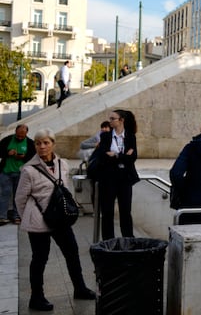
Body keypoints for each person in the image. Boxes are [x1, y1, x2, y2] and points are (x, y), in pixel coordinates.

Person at [15, 128, 96, 311]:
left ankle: (80, 288)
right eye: (38, 143)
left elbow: (66, 188)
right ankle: (36, 298)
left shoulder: (63, 164)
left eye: (46, 142)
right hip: (38, 221)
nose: (42, 146)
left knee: (72, 253)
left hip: (60, 219)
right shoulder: (28, 170)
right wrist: (28, 216)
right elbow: (20, 199)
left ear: (53, 143)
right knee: (40, 259)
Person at [95, 109, 140, 240]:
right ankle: (108, 241)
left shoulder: (130, 136)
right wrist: (123, 156)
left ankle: (128, 240)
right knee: (107, 212)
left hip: (125, 179)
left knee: (125, 211)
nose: (110, 121)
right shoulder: (105, 137)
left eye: (112, 119)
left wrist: (115, 155)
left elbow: (133, 157)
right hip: (108, 179)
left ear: (121, 120)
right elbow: (103, 157)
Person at [0, 124, 36, 225]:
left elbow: (33, 158)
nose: (20, 137)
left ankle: (17, 216)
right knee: (4, 194)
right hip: (5, 172)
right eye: (18, 135)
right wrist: (8, 153)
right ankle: (2, 216)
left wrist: (23, 157)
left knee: (19, 195)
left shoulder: (30, 143)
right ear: (15, 132)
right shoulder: (7, 140)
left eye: (22, 136)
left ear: (26, 134)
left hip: (21, 173)